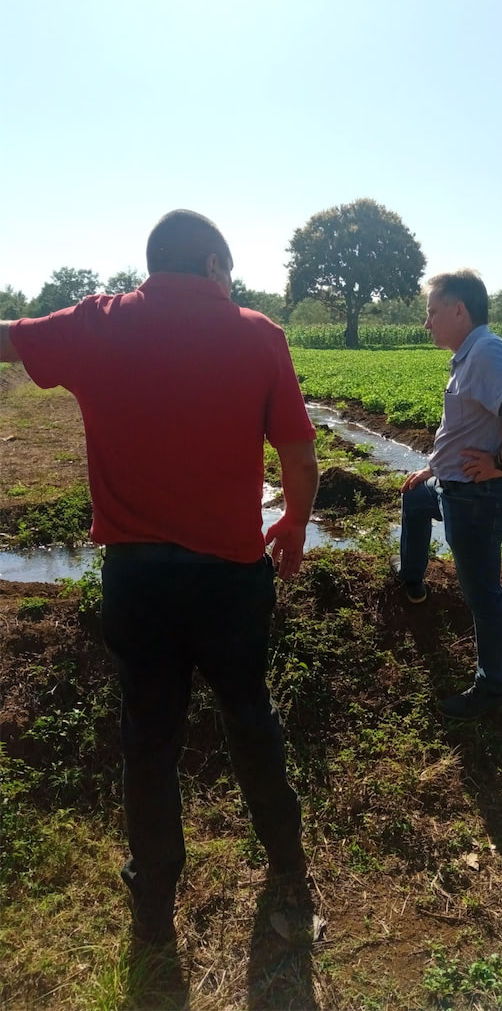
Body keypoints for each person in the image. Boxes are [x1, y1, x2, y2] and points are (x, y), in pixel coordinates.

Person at [0, 210, 320, 944]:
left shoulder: (97, 324)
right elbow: (300, 460)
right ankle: (287, 859)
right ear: (212, 265)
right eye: (230, 270)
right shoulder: (258, 335)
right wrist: (294, 524)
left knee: (148, 739)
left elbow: (7, 339)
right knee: (249, 715)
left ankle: (153, 902)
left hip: (137, 580)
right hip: (232, 580)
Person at [390, 269, 502, 720]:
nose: (427, 323)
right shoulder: (468, 356)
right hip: (455, 488)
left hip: (479, 499)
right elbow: (468, 424)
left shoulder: (486, 351)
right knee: (415, 499)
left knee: (482, 594)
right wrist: (435, 466)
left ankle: (491, 688)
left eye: (433, 313)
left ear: (459, 311)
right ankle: (412, 583)